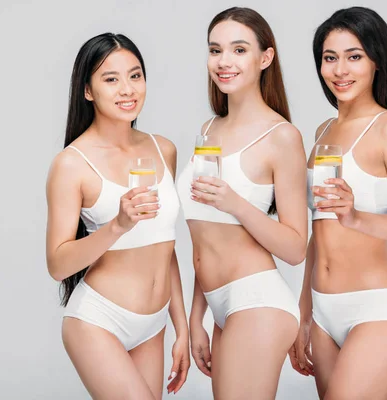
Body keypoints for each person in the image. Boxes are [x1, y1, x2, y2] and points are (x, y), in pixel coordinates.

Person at [289, 7, 387, 399]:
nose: (340, 70)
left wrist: (355, 217)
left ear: (376, 61)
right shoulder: (322, 131)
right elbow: (318, 233)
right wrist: (304, 313)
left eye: (354, 56)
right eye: (329, 57)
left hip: (377, 308)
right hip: (322, 312)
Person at [45, 33, 189, 399]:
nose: (128, 89)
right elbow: (58, 264)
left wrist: (182, 328)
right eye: (111, 79)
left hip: (153, 325)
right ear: (88, 90)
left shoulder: (163, 148)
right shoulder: (72, 164)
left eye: (135, 75)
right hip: (98, 320)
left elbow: (165, 247)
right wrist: (117, 226)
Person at [176, 7, 308, 399]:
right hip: (219, 305)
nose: (224, 62)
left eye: (238, 50)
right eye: (215, 50)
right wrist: (196, 317)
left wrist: (235, 203)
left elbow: (296, 247)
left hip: (257, 299)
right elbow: (205, 235)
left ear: (264, 58)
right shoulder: (208, 129)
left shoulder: (282, 136)